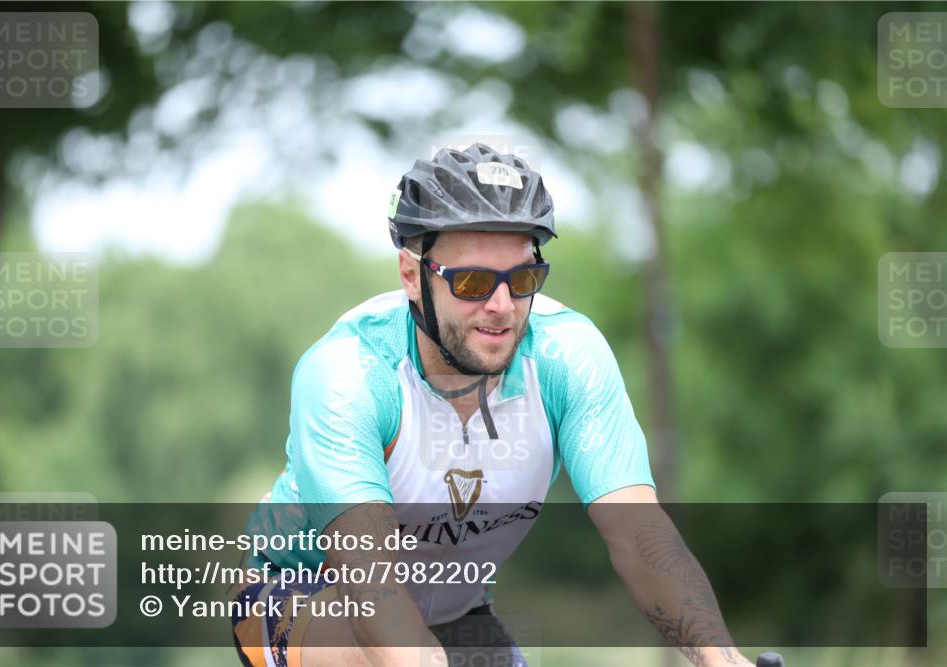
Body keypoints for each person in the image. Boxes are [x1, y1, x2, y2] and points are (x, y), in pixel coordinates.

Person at [232, 143, 754, 667]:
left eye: (522, 279)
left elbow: (640, 537)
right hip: (306, 592)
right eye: (473, 282)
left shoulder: (567, 358)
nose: (502, 306)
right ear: (412, 275)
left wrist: (722, 659)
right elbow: (370, 586)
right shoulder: (350, 373)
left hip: (458, 610)